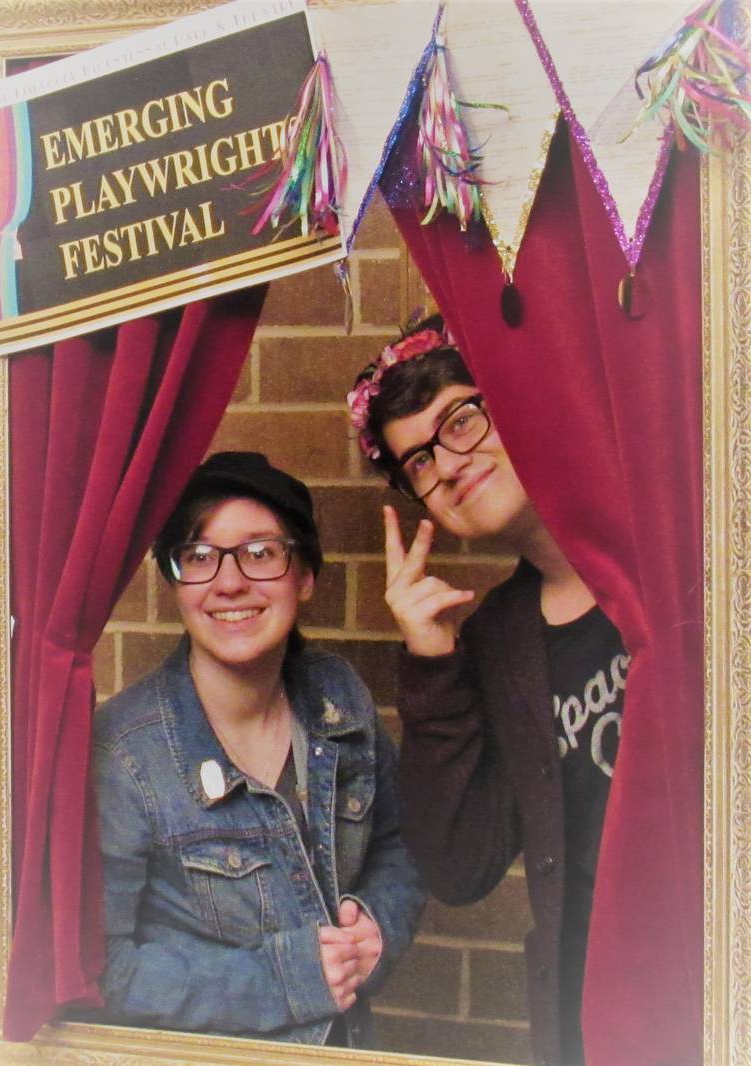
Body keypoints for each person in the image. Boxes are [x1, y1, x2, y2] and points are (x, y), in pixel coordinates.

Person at [347, 317, 628, 1066]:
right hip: (595, 1018)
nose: (451, 462)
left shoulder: (660, 543)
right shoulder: (501, 640)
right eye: (420, 461)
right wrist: (432, 660)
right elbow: (461, 864)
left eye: (462, 420)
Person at [91, 451, 425, 1046]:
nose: (229, 580)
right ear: (175, 585)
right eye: (199, 556)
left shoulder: (338, 699)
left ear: (305, 576)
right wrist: (284, 980)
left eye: (260, 552)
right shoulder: (126, 753)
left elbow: (404, 843)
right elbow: (101, 969)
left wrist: (379, 926)